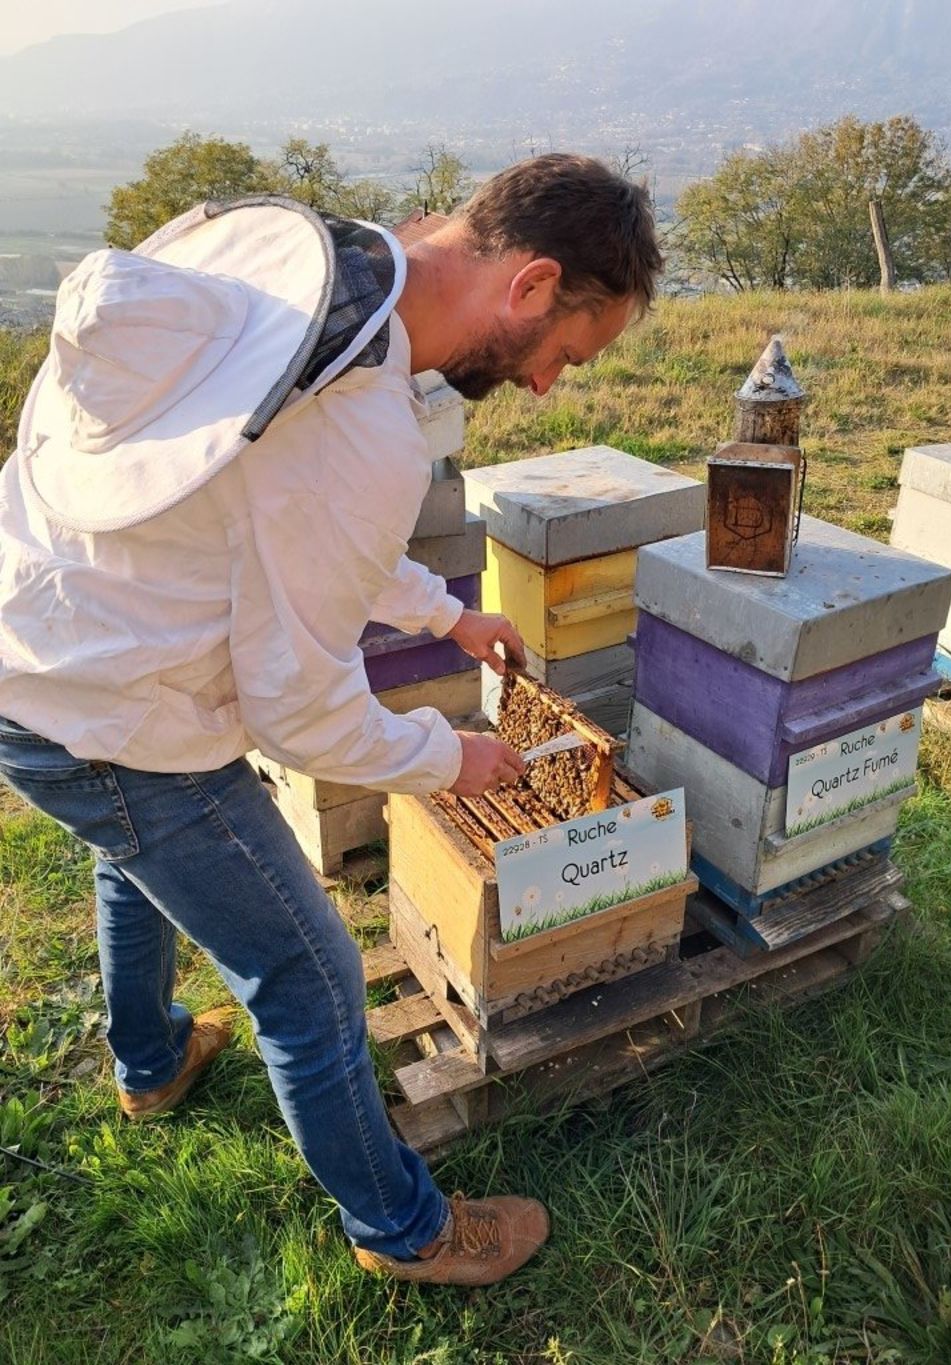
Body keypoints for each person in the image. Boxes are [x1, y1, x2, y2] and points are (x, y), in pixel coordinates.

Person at [0, 153, 662, 1285]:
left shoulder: (334, 267)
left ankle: (152, 1064)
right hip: (113, 705)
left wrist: (443, 617)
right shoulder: (358, 420)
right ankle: (403, 1232)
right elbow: (299, 711)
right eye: (570, 352)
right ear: (536, 282)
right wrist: (448, 756)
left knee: (135, 864)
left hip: (46, 648)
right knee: (311, 977)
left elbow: (280, 520)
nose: (551, 383)